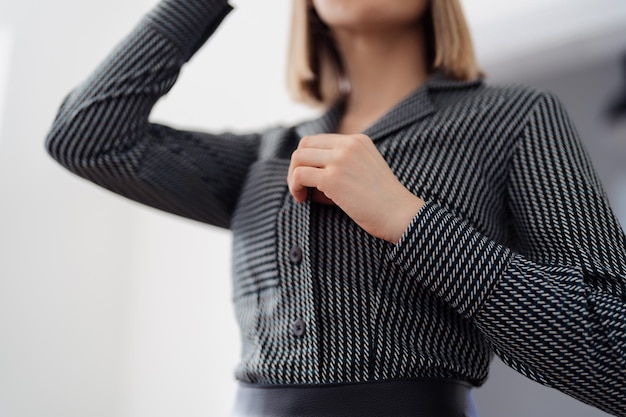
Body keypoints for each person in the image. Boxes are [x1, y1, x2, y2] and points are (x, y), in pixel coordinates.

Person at [46, 0, 626, 416]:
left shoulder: (515, 120)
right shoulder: (266, 154)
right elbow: (85, 136)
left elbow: (614, 352)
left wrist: (409, 220)